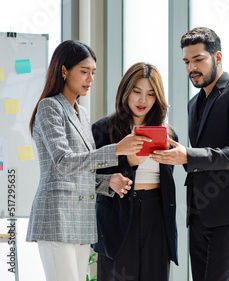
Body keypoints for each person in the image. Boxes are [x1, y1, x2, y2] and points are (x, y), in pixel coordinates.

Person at [26, 40, 149, 281]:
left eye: (93, 72)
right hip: (57, 217)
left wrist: (108, 182)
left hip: (81, 221)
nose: (90, 79)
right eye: (84, 72)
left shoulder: (81, 113)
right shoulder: (49, 107)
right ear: (64, 71)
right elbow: (63, 162)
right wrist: (117, 150)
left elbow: (81, 171)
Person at [152, 27, 229, 281]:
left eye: (199, 59)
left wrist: (187, 155)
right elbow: (201, 152)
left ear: (218, 57)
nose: (192, 68)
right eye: (187, 62)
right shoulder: (194, 102)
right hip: (199, 212)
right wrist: (173, 148)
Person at [91, 62, 178, 280]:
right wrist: (128, 163)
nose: (143, 100)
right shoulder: (103, 130)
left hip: (156, 212)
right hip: (117, 214)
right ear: (125, 92)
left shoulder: (168, 134)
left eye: (150, 94)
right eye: (136, 92)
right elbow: (87, 177)